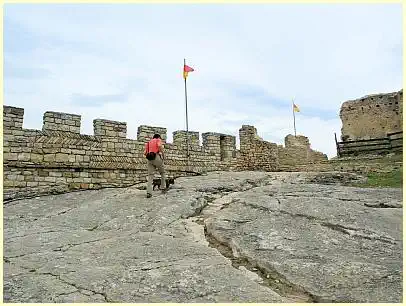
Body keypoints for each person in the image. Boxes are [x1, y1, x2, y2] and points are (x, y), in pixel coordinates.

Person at [144, 134, 166, 198]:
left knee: (150, 175)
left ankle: (149, 192)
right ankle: (163, 188)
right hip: (156, 157)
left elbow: (145, 153)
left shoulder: (148, 143)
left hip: (149, 159)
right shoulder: (158, 140)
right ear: (158, 137)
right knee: (162, 172)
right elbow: (159, 146)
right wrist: (163, 155)